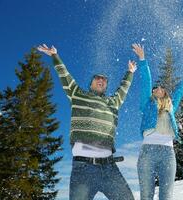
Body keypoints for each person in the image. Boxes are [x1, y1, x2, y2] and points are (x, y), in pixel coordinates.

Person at [37, 44, 136, 200]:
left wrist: (130, 72)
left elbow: (123, 89)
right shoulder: (77, 95)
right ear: (91, 83)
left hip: (109, 167)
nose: (101, 80)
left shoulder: (113, 102)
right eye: (97, 78)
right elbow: (65, 77)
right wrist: (55, 56)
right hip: (83, 168)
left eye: (104, 80)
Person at [132, 43, 183, 200]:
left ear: (164, 91)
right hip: (148, 152)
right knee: (146, 195)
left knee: (166, 196)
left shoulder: (171, 105)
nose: (157, 89)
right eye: (155, 88)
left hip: (168, 153)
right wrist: (143, 60)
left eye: (161, 87)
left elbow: (179, 89)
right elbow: (146, 81)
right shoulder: (147, 103)